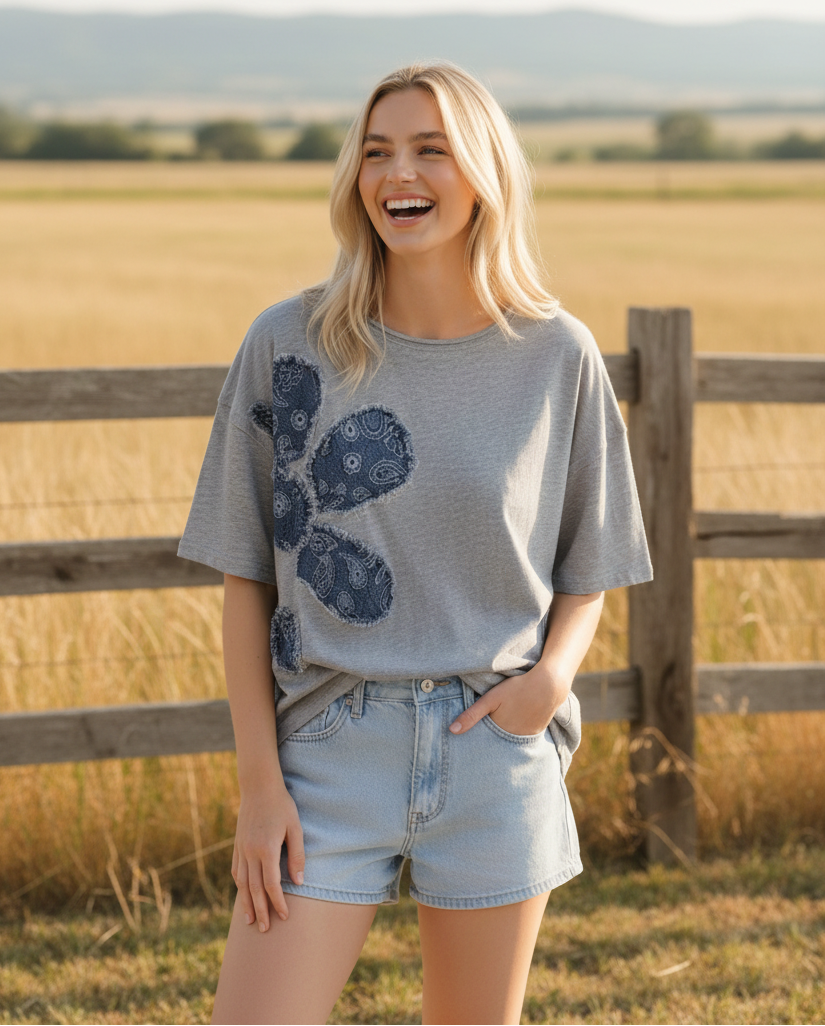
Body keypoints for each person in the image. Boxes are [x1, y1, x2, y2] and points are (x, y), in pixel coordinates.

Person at [178, 59, 653, 1026]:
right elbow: (243, 578)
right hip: (327, 753)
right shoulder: (290, 343)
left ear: (483, 173)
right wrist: (259, 788)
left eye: (432, 150)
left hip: (493, 746)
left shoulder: (558, 355)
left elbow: (588, 563)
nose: (401, 173)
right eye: (378, 151)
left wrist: (552, 682)